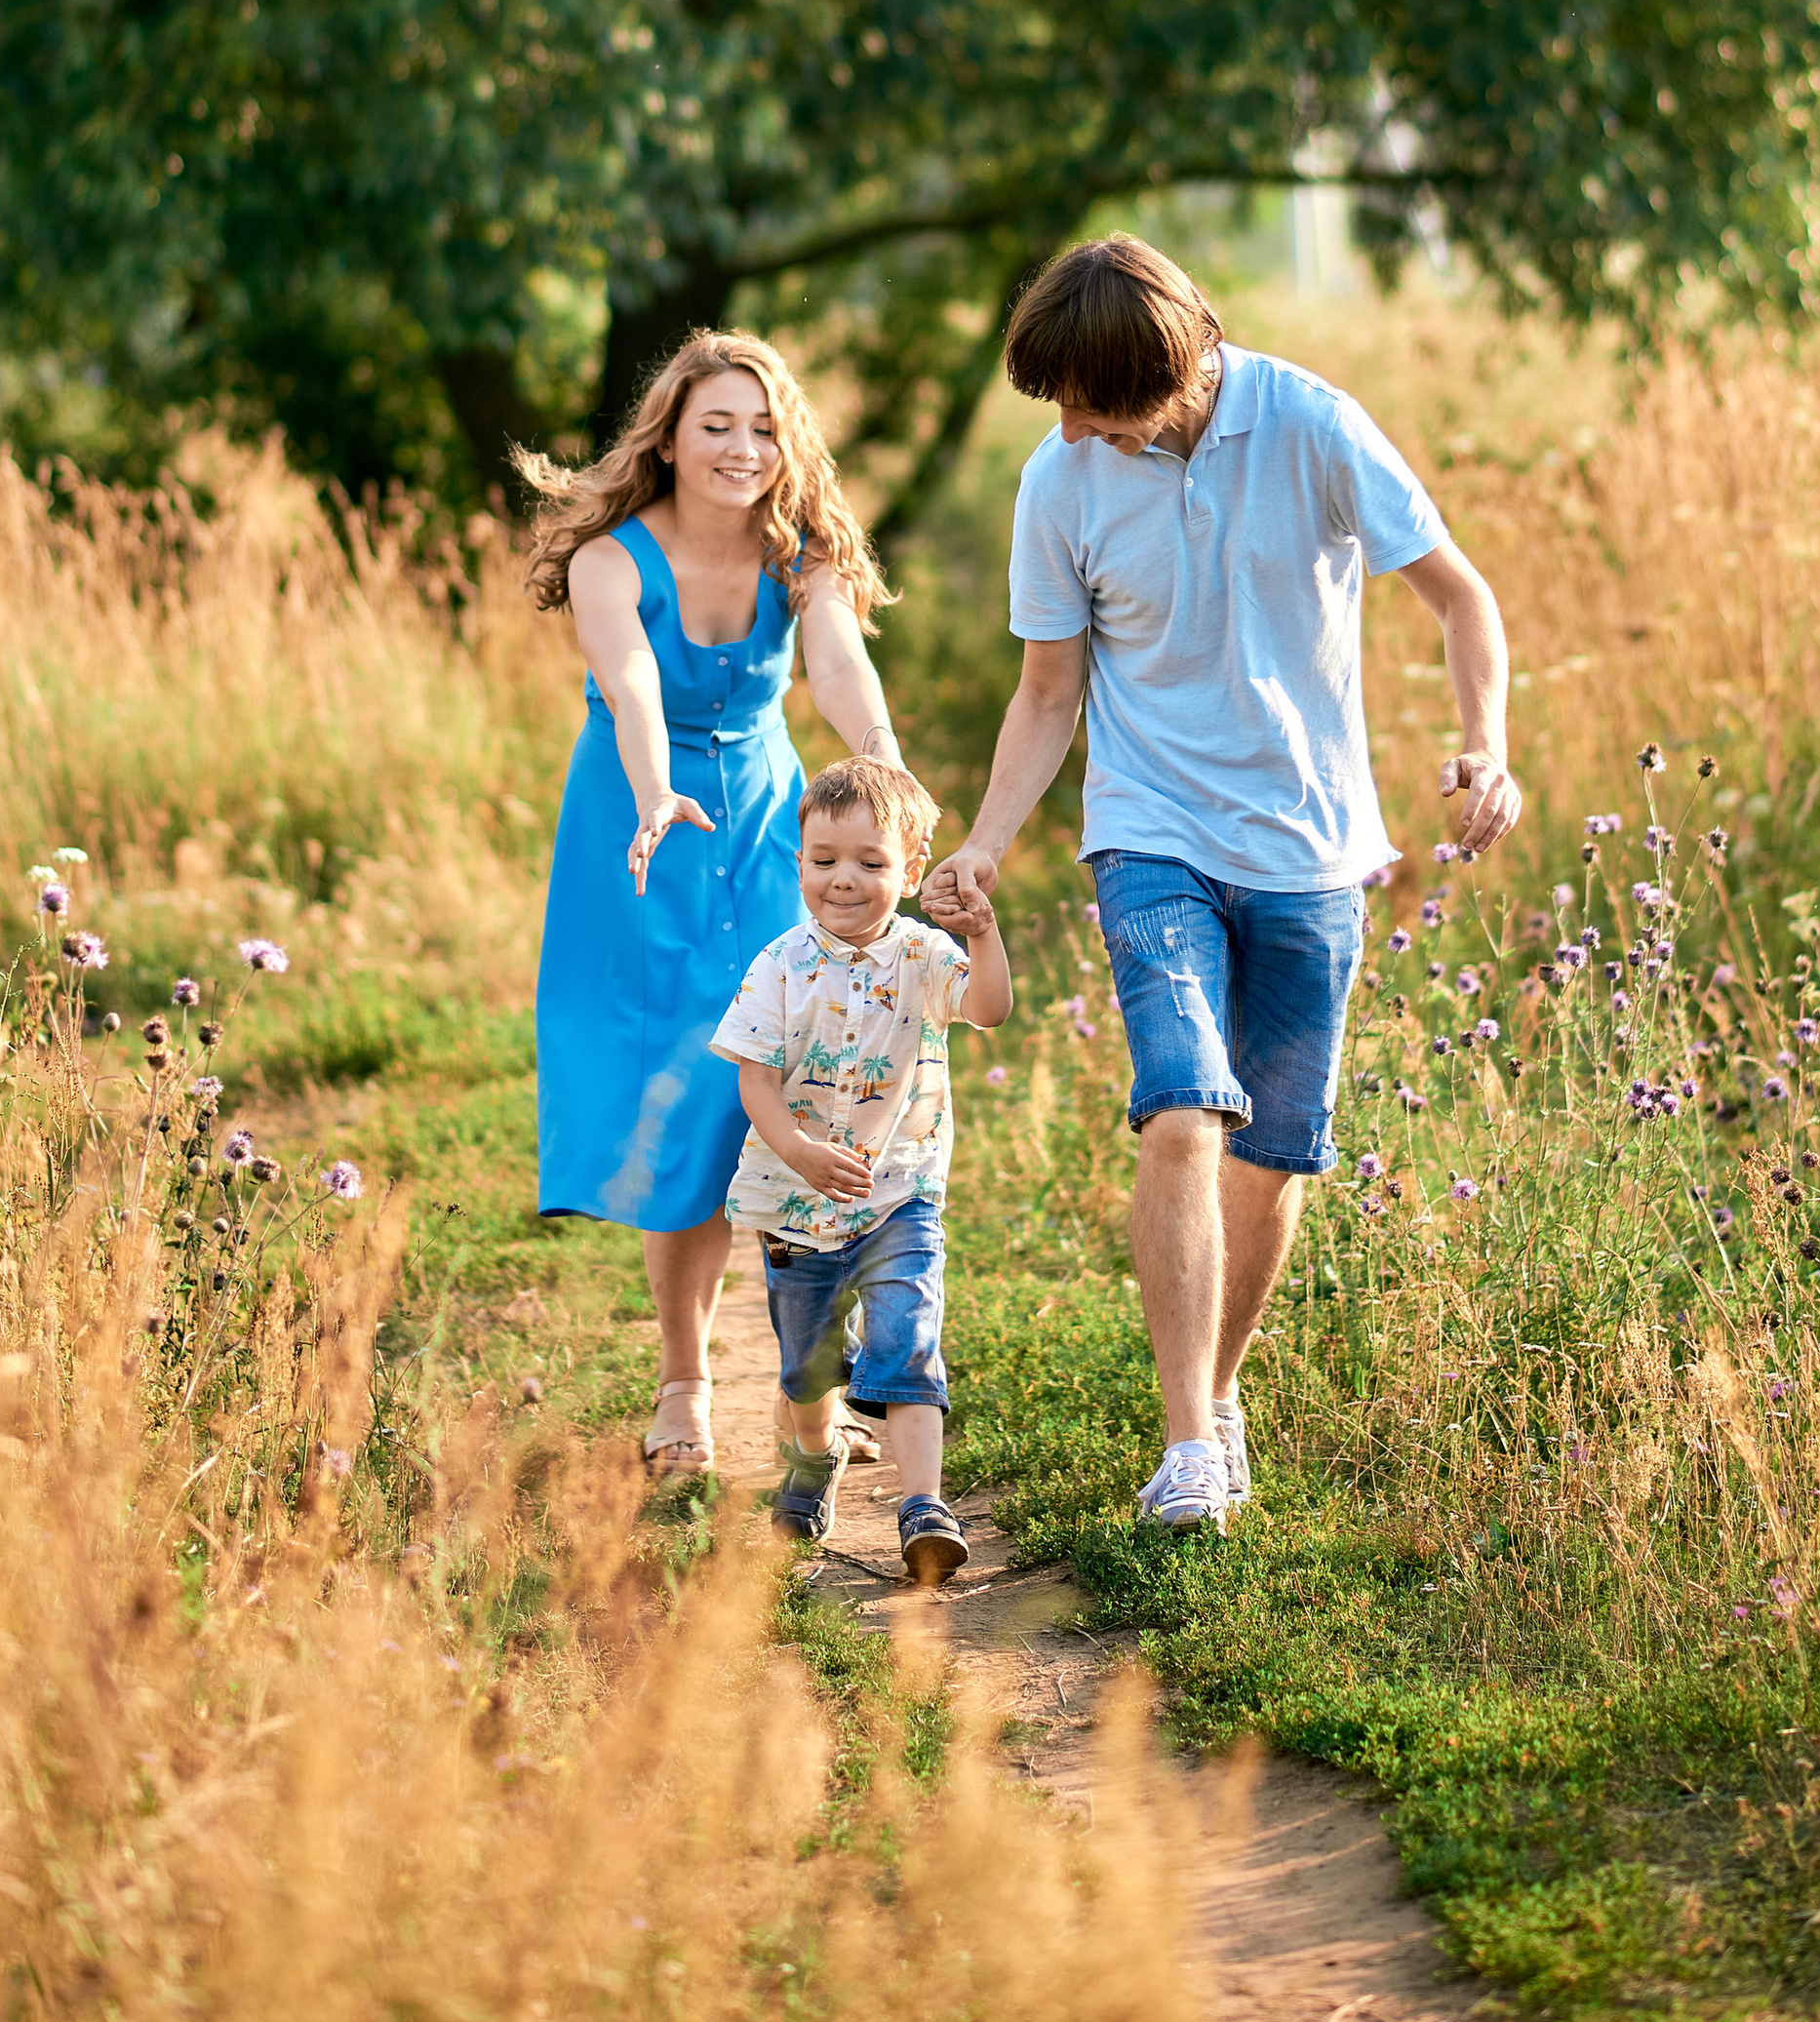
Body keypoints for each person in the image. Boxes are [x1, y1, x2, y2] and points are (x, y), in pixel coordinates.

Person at [924, 233, 1521, 1536]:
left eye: (1094, 403)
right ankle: (1188, 1442)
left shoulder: (1311, 424)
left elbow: (1461, 597)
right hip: (1151, 830)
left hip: (1312, 847)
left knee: (1271, 1156)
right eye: (1060, 405)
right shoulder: (1061, 478)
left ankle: (1223, 1390)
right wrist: (985, 838)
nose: (1069, 427)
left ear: (1180, 371)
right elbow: (1048, 688)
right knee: (1185, 1112)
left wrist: (1490, 746)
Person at [523, 333, 903, 1480]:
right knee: (688, 1099)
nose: (742, 448)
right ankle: (684, 1384)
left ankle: (810, 1389)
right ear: (671, 439)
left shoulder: (804, 552)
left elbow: (832, 662)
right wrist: (653, 790)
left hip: (770, 830)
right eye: (716, 426)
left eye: (763, 426)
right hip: (640, 840)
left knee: (805, 1089)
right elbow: (631, 682)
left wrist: (880, 763)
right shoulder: (610, 559)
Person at [714, 753, 1012, 1584]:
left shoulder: (925, 956)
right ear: (800, 862)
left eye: (872, 864)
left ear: (912, 870)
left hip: (900, 1192)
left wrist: (981, 935)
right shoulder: (779, 964)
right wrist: (799, 1150)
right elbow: (755, 1079)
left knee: (910, 1339)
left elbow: (988, 1010)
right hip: (794, 1199)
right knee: (808, 1367)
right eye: (825, 861)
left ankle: (924, 1505)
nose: (844, 881)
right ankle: (814, 1460)